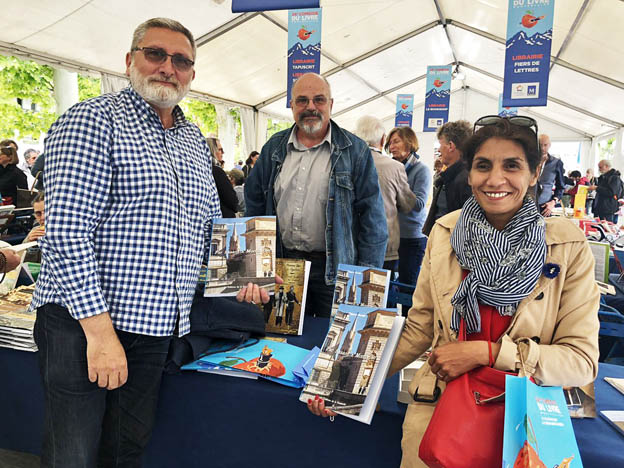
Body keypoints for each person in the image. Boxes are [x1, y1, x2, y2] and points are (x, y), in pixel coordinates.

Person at [308, 116, 600, 468]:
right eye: (483, 166)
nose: (495, 180)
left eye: (512, 166)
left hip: (525, 425)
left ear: (534, 173)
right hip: (442, 414)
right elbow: (418, 328)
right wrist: (343, 384)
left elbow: (581, 361)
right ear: (469, 171)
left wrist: (486, 353)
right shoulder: (446, 234)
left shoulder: (566, 246)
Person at [29, 18, 228, 467]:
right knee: (72, 456)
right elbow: (66, 233)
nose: (167, 68)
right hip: (82, 325)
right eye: (155, 54)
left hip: (155, 327)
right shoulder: (92, 120)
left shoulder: (193, 139)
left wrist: (241, 276)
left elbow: (208, 228)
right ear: (130, 60)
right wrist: (100, 335)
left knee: (125, 450)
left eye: (180, 60)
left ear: (191, 74)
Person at [245, 73, 387, 318]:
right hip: (281, 264)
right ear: (291, 105)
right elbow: (254, 203)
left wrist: (366, 279)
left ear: (330, 105)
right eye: (302, 100)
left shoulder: (355, 151)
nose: (310, 107)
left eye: (319, 100)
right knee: (279, 340)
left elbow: (373, 222)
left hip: (333, 271)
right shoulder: (273, 148)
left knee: (329, 343)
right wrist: (255, 266)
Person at [353, 116, 416, 276]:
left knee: (352, 294)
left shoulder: (346, 163)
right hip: (384, 245)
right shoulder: (395, 167)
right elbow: (408, 205)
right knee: (382, 294)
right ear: (382, 140)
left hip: (350, 243)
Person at [385, 126, 431, 287]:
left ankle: (406, 314)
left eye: (396, 141)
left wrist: (397, 186)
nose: (392, 147)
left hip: (412, 239)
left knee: (407, 286)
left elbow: (418, 205)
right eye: (390, 143)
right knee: (385, 285)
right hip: (391, 237)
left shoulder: (421, 170)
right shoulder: (391, 168)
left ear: (409, 142)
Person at [422, 120, 472, 236]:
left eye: (440, 145)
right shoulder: (452, 176)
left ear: (451, 146)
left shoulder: (465, 180)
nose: (438, 150)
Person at [207, 136, 239, 218]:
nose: (223, 152)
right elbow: (232, 201)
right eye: (220, 149)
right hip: (222, 221)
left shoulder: (200, 169)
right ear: (212, 150)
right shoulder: (216, 171)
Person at [536, 134, 565, 216]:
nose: (542, 148)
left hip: (545, 207)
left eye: (545, 145)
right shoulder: (529, 161)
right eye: (540, 145)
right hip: (527, 206)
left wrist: (553, 202)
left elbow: (561, 187)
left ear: (549, 145)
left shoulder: (556, 163)